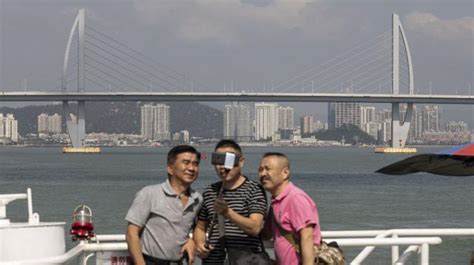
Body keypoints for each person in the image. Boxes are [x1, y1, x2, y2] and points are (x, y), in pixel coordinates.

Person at [194, 139, 268, 264]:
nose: (223, 167)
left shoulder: (254, 190)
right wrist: (200, 243)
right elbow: (201, 227)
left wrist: (228, 213)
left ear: (241, 162)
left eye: (228, 161)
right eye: (218, 161)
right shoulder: (209, 192)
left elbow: (255, 227)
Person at [126, 145, 202, 265]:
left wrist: (191, 240)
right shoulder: (149, 193)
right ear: (171, 168)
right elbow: (132, 233)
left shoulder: (197, 199)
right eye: (186, 163)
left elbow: (194, 228)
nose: (191, 168)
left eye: (195, 164)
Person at [259, 152, 321, 265]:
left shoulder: (295, 198)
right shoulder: (276, 201)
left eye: (267, 169)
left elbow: (307, 238)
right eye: (260, 169)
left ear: (285, 173)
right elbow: (266, 234)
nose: (263, 174)